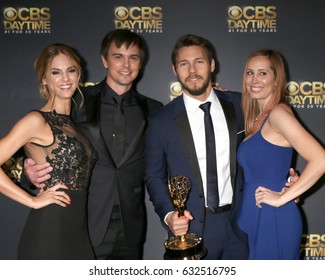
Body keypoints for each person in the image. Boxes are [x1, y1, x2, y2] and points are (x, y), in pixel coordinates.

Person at [24, 29, 163, 259]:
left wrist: (214, 96)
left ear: (141, 62)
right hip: (85, 221)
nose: (126, 64)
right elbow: (42, 134)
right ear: (104, 60)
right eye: (118, 56)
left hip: (131, 226)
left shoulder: (154, 108)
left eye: (134, 57)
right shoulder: (77, 100)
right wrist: (29, 168)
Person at [145, 34, 249, 259]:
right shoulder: (161, 121)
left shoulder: (241, 106)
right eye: (184, 64)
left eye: (199, 61)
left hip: (240, 225)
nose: (192, 70)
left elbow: (265, 148)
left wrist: (285, 182)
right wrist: (169, 215)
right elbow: (154, 176)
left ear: (212, 64)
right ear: (175, 70)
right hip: (192, 230)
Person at [0, 43, 96, 259]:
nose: (65, 78)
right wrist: (31, 200)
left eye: (71, 70)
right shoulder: (37, 120)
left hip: (78, 232)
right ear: (44, 78)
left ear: (79, 74)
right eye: (56, 72)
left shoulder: (72, 124)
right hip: (48, 233)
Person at [237, 49, 325, 259]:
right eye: (250, 73)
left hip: (274, 216)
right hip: (258, 215)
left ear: (277, 80)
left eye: (263, 73)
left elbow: (321, 159)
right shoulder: (257, 119)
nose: (254, 79)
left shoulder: (278, 114)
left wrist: (282, 198)